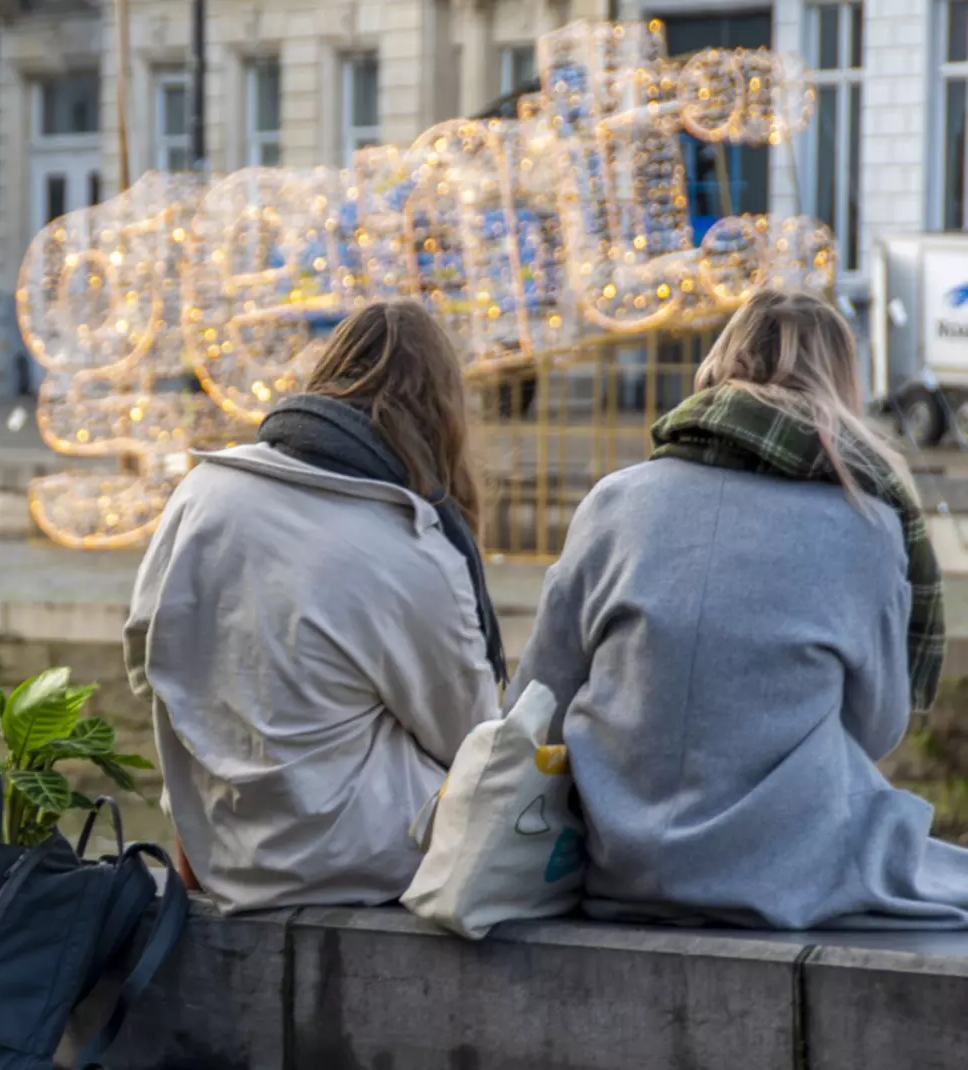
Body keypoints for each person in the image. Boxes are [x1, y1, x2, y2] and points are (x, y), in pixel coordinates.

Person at [506, 288, 968, 930]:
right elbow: (877, 726)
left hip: (615, 861)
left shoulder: (616, 502)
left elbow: (534, 702)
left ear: (723, 365)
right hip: (784, 868)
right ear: (840, 384)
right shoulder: (867, 522)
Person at [124, 300, 503, 913]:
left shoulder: (203, 491)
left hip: (219, 846)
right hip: (363, 863)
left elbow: (149, 664)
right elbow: (469, 738)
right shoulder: (412, 546)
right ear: (445, 418)